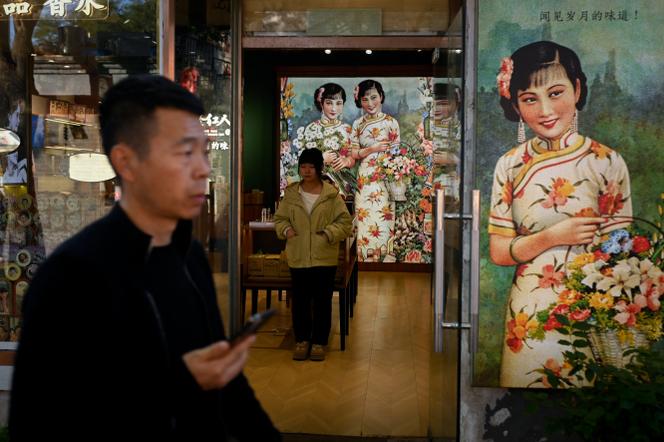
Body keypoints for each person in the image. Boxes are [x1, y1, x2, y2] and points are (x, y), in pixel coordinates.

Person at [9, 75, 281, 441]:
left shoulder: (190, 256)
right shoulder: (71, 277)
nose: (203, 169)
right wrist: (179, 386)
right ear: (126, 162)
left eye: (204, 151)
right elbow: (40, 424)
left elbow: (227, 385)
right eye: (185, 153)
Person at [488, 41, 632, 387]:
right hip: (531, 310)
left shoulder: (606, 162)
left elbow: (623, 253)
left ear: (577, 89)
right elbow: (499, 252)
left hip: (593, 306)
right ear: (515, 105)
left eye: (555, 93)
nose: (545, 110)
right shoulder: (510, 165)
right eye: (529, 99)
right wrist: (552, 237)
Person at [274, 148, 352, 361]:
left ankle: (318, 342)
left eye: (311, 167)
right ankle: (301, 340)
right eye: (303, 166)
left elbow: (345, 223)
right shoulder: (291, 194)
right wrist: (286, 230)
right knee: (300, 302)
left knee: (322, 302)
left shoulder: (331, 195)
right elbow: (279, 219)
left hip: (324, 257)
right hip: (298, 255)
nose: (307, 171)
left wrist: (328, 234)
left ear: (319, 168)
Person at [350, 79, 401, 262]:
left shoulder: (391, 122)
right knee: (364, 218)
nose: (370, 103)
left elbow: (397, 154)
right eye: (365, 99)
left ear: (381, 97)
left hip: (385, 178)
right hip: (365, 179)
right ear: (359, 101)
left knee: (385, 217)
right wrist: (373, 148)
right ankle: (364, 260)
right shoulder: (358, 124)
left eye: (373, 97)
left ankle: (384, 258)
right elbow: (354, 153)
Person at [296, 83, 355, 195]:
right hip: (316, 182)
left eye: (338, 103)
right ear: (321, 103)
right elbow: (303, 162)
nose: (334, 108)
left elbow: (352, 157)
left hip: (342, 183)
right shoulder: (312, 129)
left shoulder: (347, 129)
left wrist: (346, 161)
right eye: (329, 103)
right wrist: (321, 159)